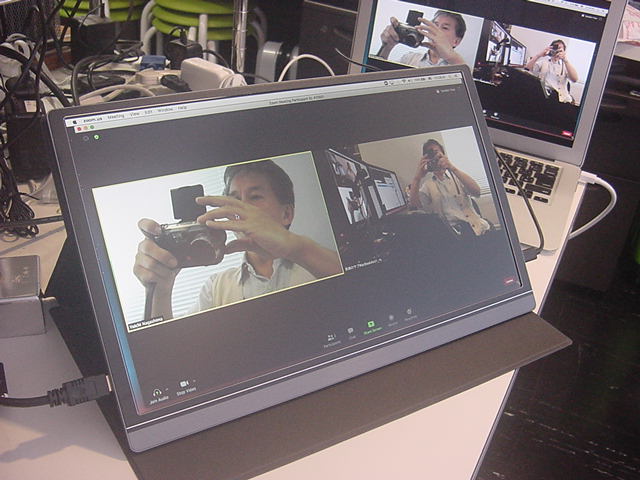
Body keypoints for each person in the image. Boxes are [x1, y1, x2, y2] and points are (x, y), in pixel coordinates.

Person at [133, 160, 342, 319]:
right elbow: (170, 349)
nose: (242, 209)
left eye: (255, 197)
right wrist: (161, 291)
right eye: (234, 201)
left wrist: (297, 248)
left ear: (286, 214)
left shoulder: (319, 264)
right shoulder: (216, 287)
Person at [408, 139, 490, 236]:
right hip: (455, 235)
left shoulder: (458, 177)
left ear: (443, 155)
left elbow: (477, 192)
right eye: (430, 155)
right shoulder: (427, 186)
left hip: (479, 228)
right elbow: (415, 207)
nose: (435, 158)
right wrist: (417, 178)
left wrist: (452, 167)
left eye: (436, 153)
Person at [377, 10, 467, 67]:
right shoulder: (409, 58)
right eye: (435, 25)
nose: (436, 31)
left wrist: (451, 57)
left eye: (445, 28)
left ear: (456, 41)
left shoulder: (460, 66)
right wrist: (386, 47)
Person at [525, 39, 578, 103]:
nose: (557, 50)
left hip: (561, 99)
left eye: (560, 49)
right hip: (545, 96)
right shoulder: (544, 62)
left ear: (564, 51)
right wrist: (539, 55)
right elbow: (527, 68)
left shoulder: (565, 65)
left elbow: (575, 79)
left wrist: (565, 60)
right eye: (555, 47)